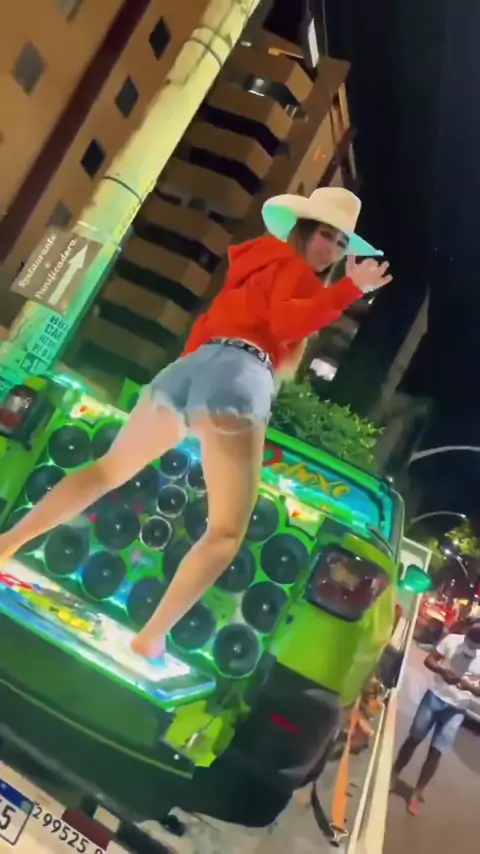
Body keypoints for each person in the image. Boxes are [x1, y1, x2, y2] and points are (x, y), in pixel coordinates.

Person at [0, 187, 391, 660]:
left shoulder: (257, 263)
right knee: (226, 533)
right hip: (240, 375)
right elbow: (285, 326)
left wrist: (197, 392)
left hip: (190, 367)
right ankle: (152, 635)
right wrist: (348, 290)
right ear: (304, 231)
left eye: (341, 243)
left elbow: (214, 328)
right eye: (327, 235)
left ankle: (8, 544)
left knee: (106, 470)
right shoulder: (298, 273)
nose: (331, 249)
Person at [392, 621, 480, 815]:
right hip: (434, 697)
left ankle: (417, 793)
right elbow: (429, 660)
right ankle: (394, 774)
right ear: (466, 633)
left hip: (457, 710)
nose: (471, 646)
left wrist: (468, 686)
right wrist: (442, 671)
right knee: (414, 739)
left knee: (436, 752)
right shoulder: (452, 641)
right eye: (470, 640)